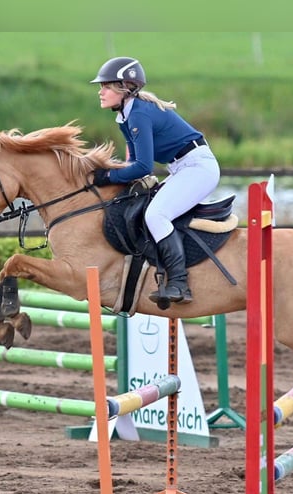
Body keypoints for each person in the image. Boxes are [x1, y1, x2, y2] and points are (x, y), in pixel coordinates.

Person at [89, 56, 220, 306]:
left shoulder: (138, 114)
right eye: (101, 86)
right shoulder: (126, 116)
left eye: (106, 86)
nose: (101, 92)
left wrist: (106, 176)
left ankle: (180, 283)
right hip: (183, 167)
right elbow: (133, 162)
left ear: (124, 88)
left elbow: (142, 167)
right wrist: (113, 175)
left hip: (197, 167)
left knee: (156, 215)